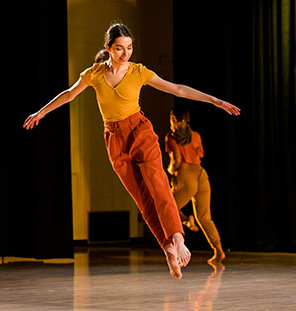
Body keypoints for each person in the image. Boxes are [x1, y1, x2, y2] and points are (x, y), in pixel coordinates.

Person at [23, 23, 240, 279]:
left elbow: (177, 88)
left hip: (140, 132)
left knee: (158, 185)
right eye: (119, 48)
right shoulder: (93, 74)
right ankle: (168, 248)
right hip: (115, 139)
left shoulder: (139, 72)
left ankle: (179, 238)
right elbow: (69, 94)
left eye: (129, 48)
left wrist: (215, 100)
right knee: (143, 199)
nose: (125, 53)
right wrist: (42, 112)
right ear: (108, 48)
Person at [165, 103, 227, 265]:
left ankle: (186, 221)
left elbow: (176, 161)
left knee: (167, 206)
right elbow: (200, 156)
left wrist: (170, 170)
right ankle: (219, 251)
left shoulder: (171, 138)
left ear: (173, 118)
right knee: (205, 217)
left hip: (186, 176)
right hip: (201, 174)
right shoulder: (196, 136)